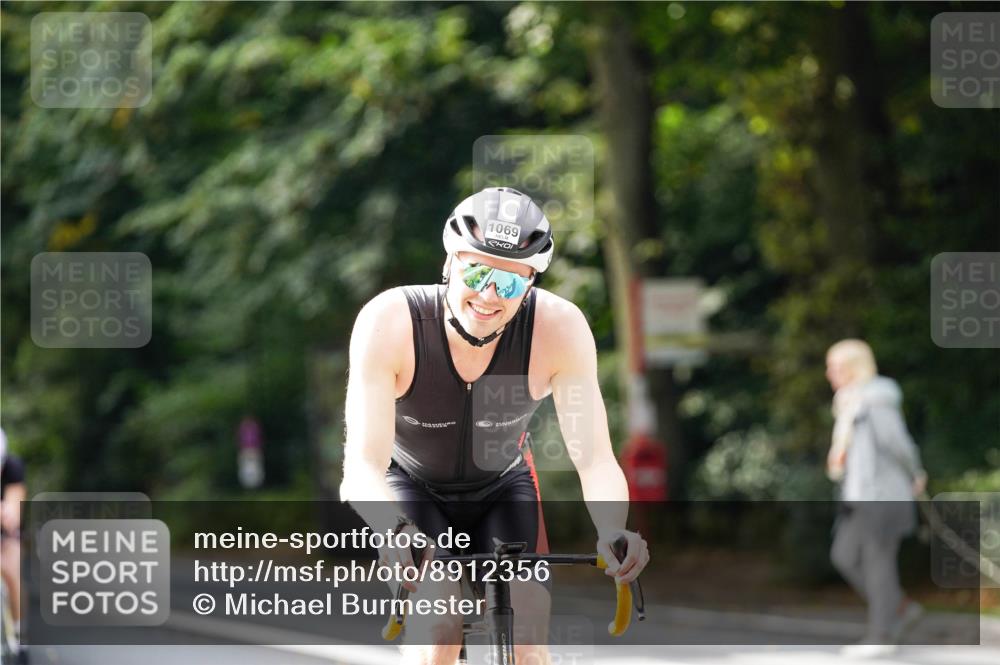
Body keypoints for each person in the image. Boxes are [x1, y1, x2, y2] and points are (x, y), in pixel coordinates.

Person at [340, 187, 650, 665]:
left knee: (527, 638)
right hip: (411, 490)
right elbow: (361, 465)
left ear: (530, 284)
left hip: (504, 486)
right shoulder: (390, 322)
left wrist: (613, 528)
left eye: (508, 283)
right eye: (476, 272)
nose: (488, 295)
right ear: (449, 263)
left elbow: (593, 458)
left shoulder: (559, 328)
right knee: (439, 629)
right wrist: (392, 529)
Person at [825, 340, 927, 658]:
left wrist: (915, 473)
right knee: (844, 555)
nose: (830, 374)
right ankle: (900, 608)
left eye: (836, 367)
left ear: (855, 368)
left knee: (878, 564)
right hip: (857, 495)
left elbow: (897, 443)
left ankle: (881, 636)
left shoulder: (876, 400)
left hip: (882, 495)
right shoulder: (849, 402)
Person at [0, 427, 26, 658]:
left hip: (6, 531)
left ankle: (19, 632)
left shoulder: (13, 467)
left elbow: (13, 510)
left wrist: (7, 515)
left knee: (10, 571)